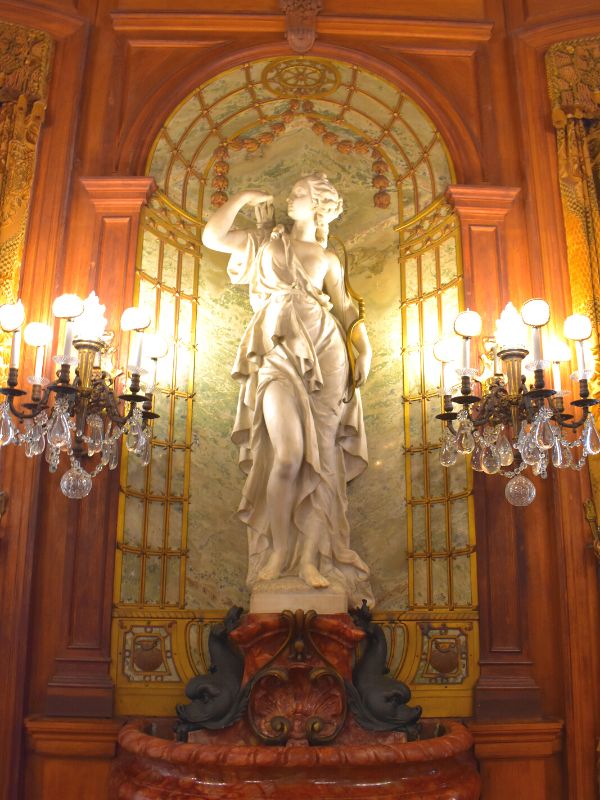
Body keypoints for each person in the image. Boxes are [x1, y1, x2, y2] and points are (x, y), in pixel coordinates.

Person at [202, 173, 374, 604]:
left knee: (325, 463)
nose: (289, 198)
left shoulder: (328, 258)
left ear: (317, 206)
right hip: (277, 352)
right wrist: (241, 194)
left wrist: (364, 348)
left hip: (327, 353)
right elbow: (213, 236)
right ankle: (279, 551)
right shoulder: (264, 244)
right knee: (288, 455)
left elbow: (347, 308)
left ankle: (312, 559)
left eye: (298, 194)